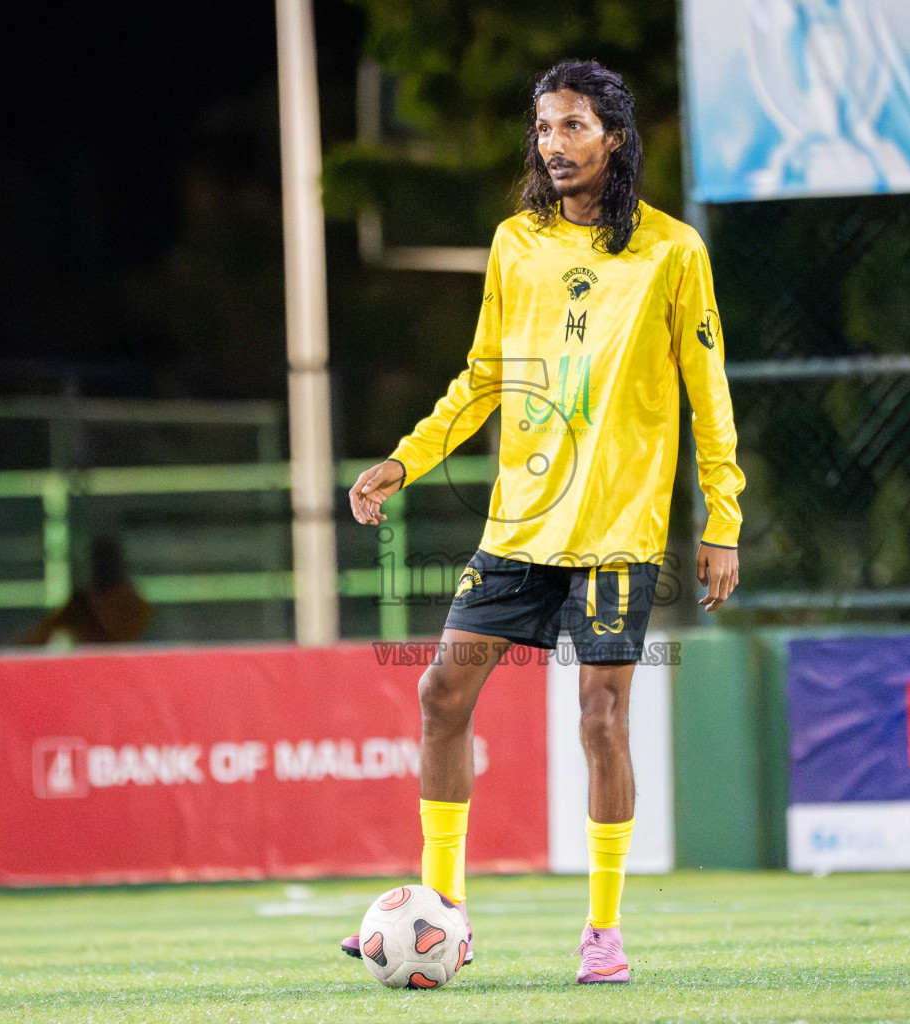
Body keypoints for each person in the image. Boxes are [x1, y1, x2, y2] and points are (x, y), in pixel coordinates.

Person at [343, 59, 743, 985]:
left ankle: (603, 931)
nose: (553, 143)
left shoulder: (672, 250)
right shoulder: (516, 243)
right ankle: (445, 912)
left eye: (572, 126)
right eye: (543, 127)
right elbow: (482, 377)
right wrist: (406, 459)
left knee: (602, 718)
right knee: (440, 694)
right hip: (520, 528)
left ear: (615, 137)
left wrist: (722, 519)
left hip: (617, 534)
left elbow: (708, 393)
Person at [20, 535, 154, 646]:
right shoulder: (80, 606)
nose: (105, 569)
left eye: (109, 563)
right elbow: (31, 644)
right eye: (100, 563)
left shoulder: (134, 606)